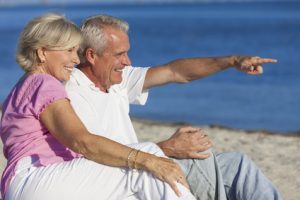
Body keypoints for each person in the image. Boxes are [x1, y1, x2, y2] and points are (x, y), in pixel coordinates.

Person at [65, 14, 282, 200]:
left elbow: (175, 72)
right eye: (119, 54)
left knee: (236, 165)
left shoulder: (117, 81)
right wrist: (166, 148)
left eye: (127, 52)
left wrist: (233, 61)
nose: (128, 61)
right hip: (127, 181)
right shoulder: (72, 93)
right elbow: (92, 158)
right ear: (92, 55)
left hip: (146, 165)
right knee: (226, 169)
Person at [0, 13, 198, 200]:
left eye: (75, 51)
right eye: (69, 50)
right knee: (147, 159)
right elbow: (82, 141)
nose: (76, 59)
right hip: (36, 179)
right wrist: (148, 159)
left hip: (24, 184)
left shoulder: (22, 87)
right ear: (43, 53)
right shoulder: (45, 84)